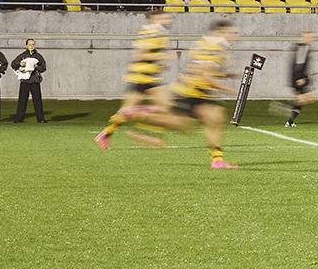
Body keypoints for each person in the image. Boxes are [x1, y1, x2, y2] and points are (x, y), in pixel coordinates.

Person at [143, 21, 240, 170]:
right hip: (193, 92)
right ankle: (139, 114)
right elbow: (205, 74)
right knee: (212, 119)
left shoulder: (203, 43)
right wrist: (227, 89)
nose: (234, 36)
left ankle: (217, 160)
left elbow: (202, 68)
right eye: (231, 33)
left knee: (193, 124)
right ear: (220, 32)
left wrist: (227, 74)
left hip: (190, 90)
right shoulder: (216, 47)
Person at [96, 17, 173, 149]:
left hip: (147, 77)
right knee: (165, 106)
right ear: (155, 18)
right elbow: (140, 55)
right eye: (164, 17)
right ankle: (145, 133)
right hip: (143, 77)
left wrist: (160, 64)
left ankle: (106, 133)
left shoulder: (156, 32)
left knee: (126, 113)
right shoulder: (150, 32)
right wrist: (160, 57)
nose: (168, 19)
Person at [10, 39, 47, 123]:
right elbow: (13, 64)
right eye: (30, 44)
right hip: (25, 81)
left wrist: (36, 67)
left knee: (37, 100)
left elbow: (44, 68)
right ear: (26, 45)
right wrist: (20, 64)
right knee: (22, 100)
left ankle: (40, 119)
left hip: (34, 81)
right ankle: (19, 118)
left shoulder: (38, 56)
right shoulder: (22, 56)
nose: (31, 46)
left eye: (33, 44)